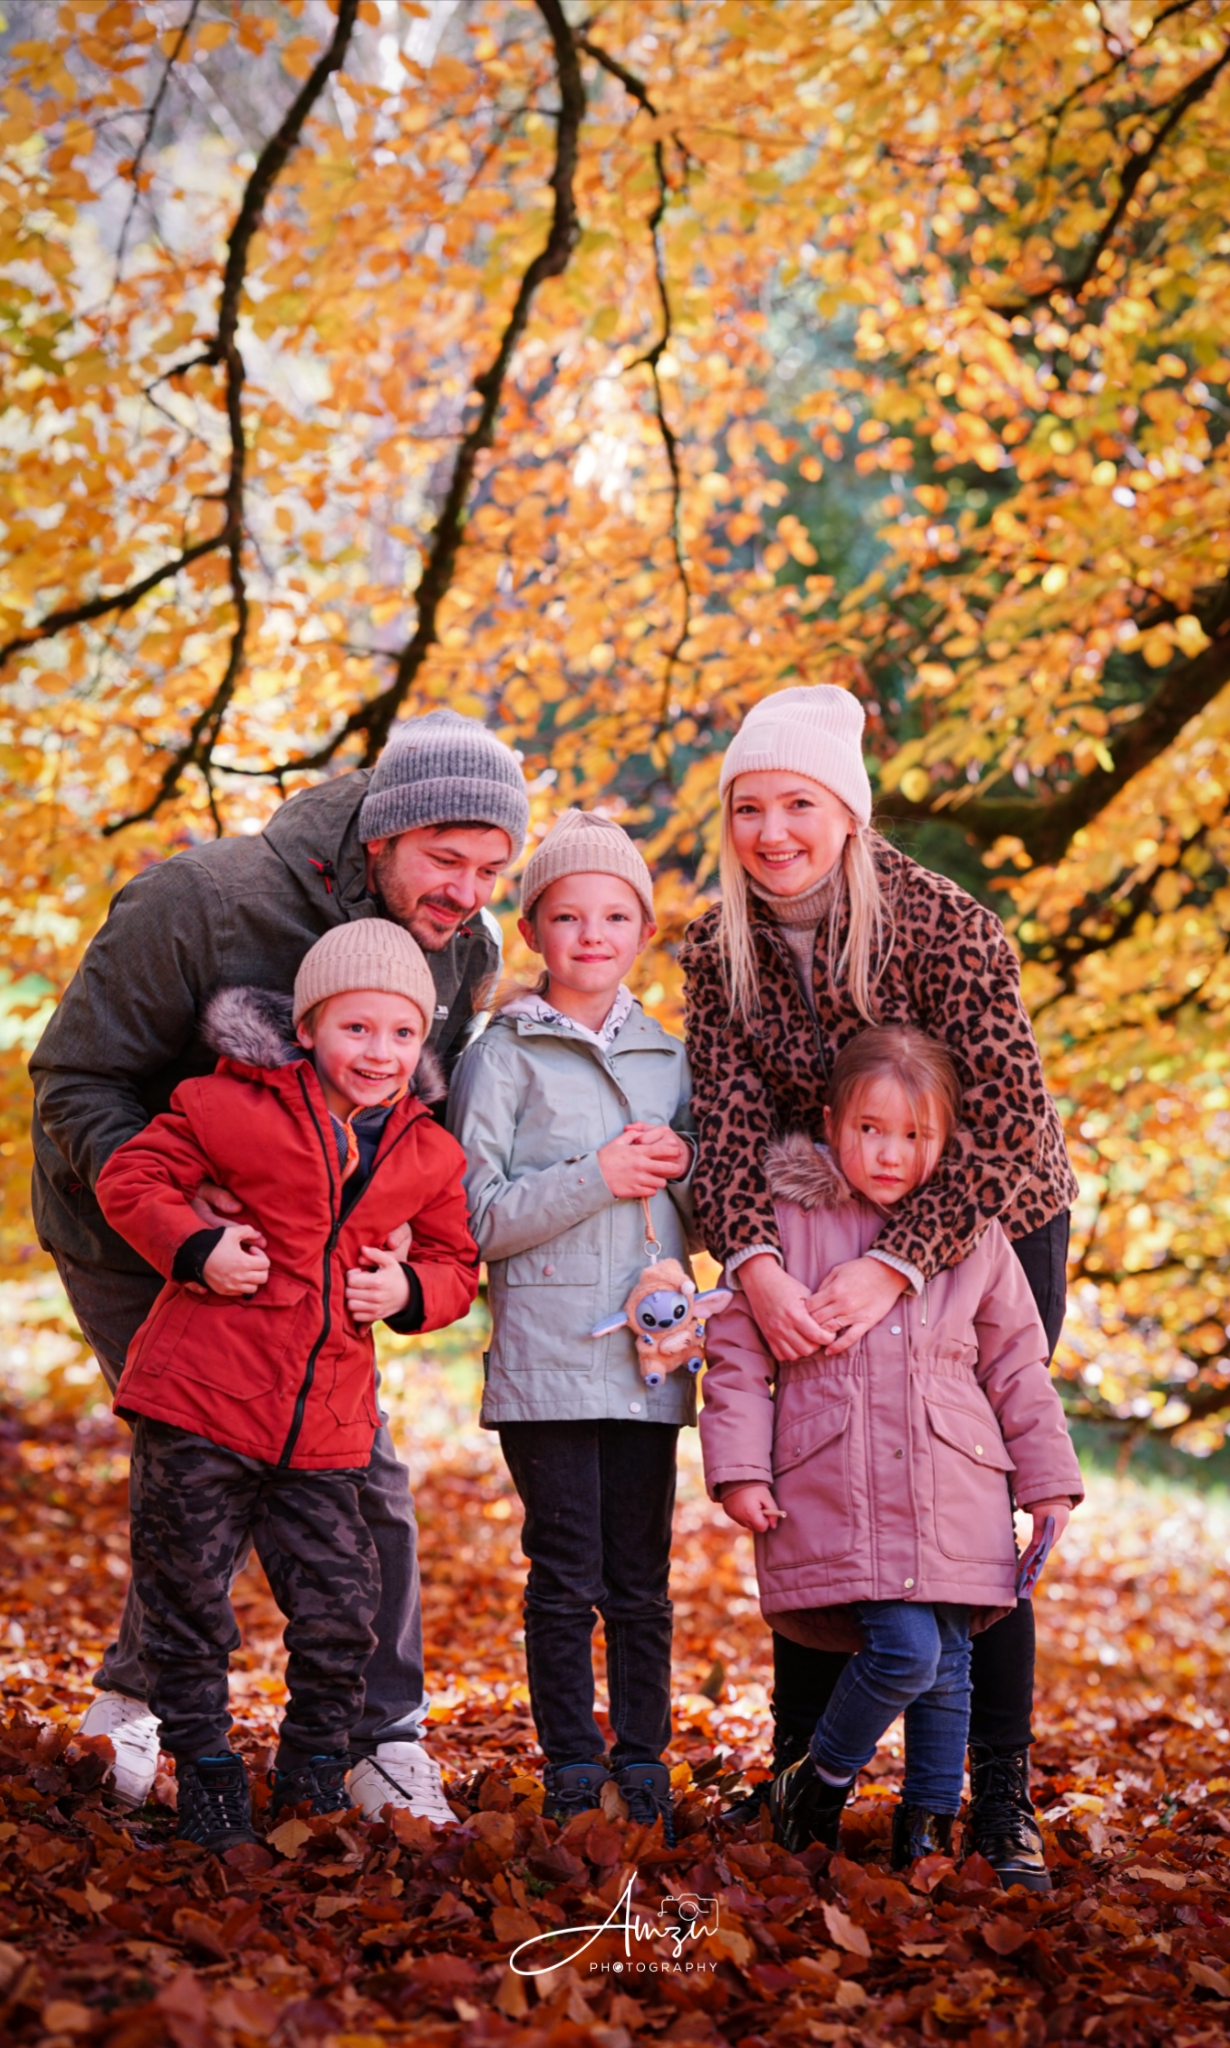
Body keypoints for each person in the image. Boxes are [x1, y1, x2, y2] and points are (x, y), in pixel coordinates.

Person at [29, 710, 528, 1821]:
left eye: (493, 868)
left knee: (359, 1478)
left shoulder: (469, 947)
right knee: (198, 1465)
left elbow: (406, 1118)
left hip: (316, 1262)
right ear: (381, 836)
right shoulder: (200, 901)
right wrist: (187, 1226)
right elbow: (74, 1077)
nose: (466, 891)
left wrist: (391, 1229)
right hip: (132, 1222)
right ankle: (144, 1703)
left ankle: (378, 1736)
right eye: (444, 859)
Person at [679, 682, 1079, 1890]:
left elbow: (1007, 1129)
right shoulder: (719, 946)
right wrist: (754, 1265)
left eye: (798, 801)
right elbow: (731, 1132)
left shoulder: (947, 928)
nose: (771, 830)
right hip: (799, 1229)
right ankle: (808, 1773)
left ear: (846, 813)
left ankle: (993, 1797)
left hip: (980, 1234)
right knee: (817, 1479)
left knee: (963, 1509)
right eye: (748, 806)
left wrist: (896, 1260)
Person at [94, 921, 480, 1851]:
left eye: (400, 1033)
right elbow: (131, 1175)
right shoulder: (228, 1105)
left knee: (344, 1610)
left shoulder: (427, 1152)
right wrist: (197, 1245)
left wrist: (409, 1289)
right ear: (307, 1028)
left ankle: (311, 1766)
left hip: (325, 1431)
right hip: (201, 1404)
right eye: (356, 1029)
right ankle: (207, 1769)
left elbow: (455, 1261)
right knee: (188, 1606)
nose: (378, 1052)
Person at [701, 1025, 1082, 1875]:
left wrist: (1048, 1483)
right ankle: (818, 1784)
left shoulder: (972, 1236)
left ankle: (926, 1831)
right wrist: (739, 1470)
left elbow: (1019, 1363)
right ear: (834, 1122)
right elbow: (735, 1354)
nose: (890, 1153)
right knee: (906, 1651)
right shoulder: (789, 1226)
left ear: (946, 1142)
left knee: (948, 1664)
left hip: (958, 1486)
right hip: (841, 1485)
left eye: (916, 1136)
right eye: (871, 1129)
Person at [447, 811, 696, 1839]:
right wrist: (598, 1175)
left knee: (641, 1581)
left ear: (641, 928)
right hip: (549, 1360)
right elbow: (476, 1218)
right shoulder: (502, 1055)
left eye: (613, 914)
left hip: (651, 1357)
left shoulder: (671, 1058)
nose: (591, 933)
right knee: (565, 1574)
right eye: (566, 915)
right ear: (537, 929)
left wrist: (693, 1176)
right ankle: (568, 1763)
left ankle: (643, 1762)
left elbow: (708, 1214)